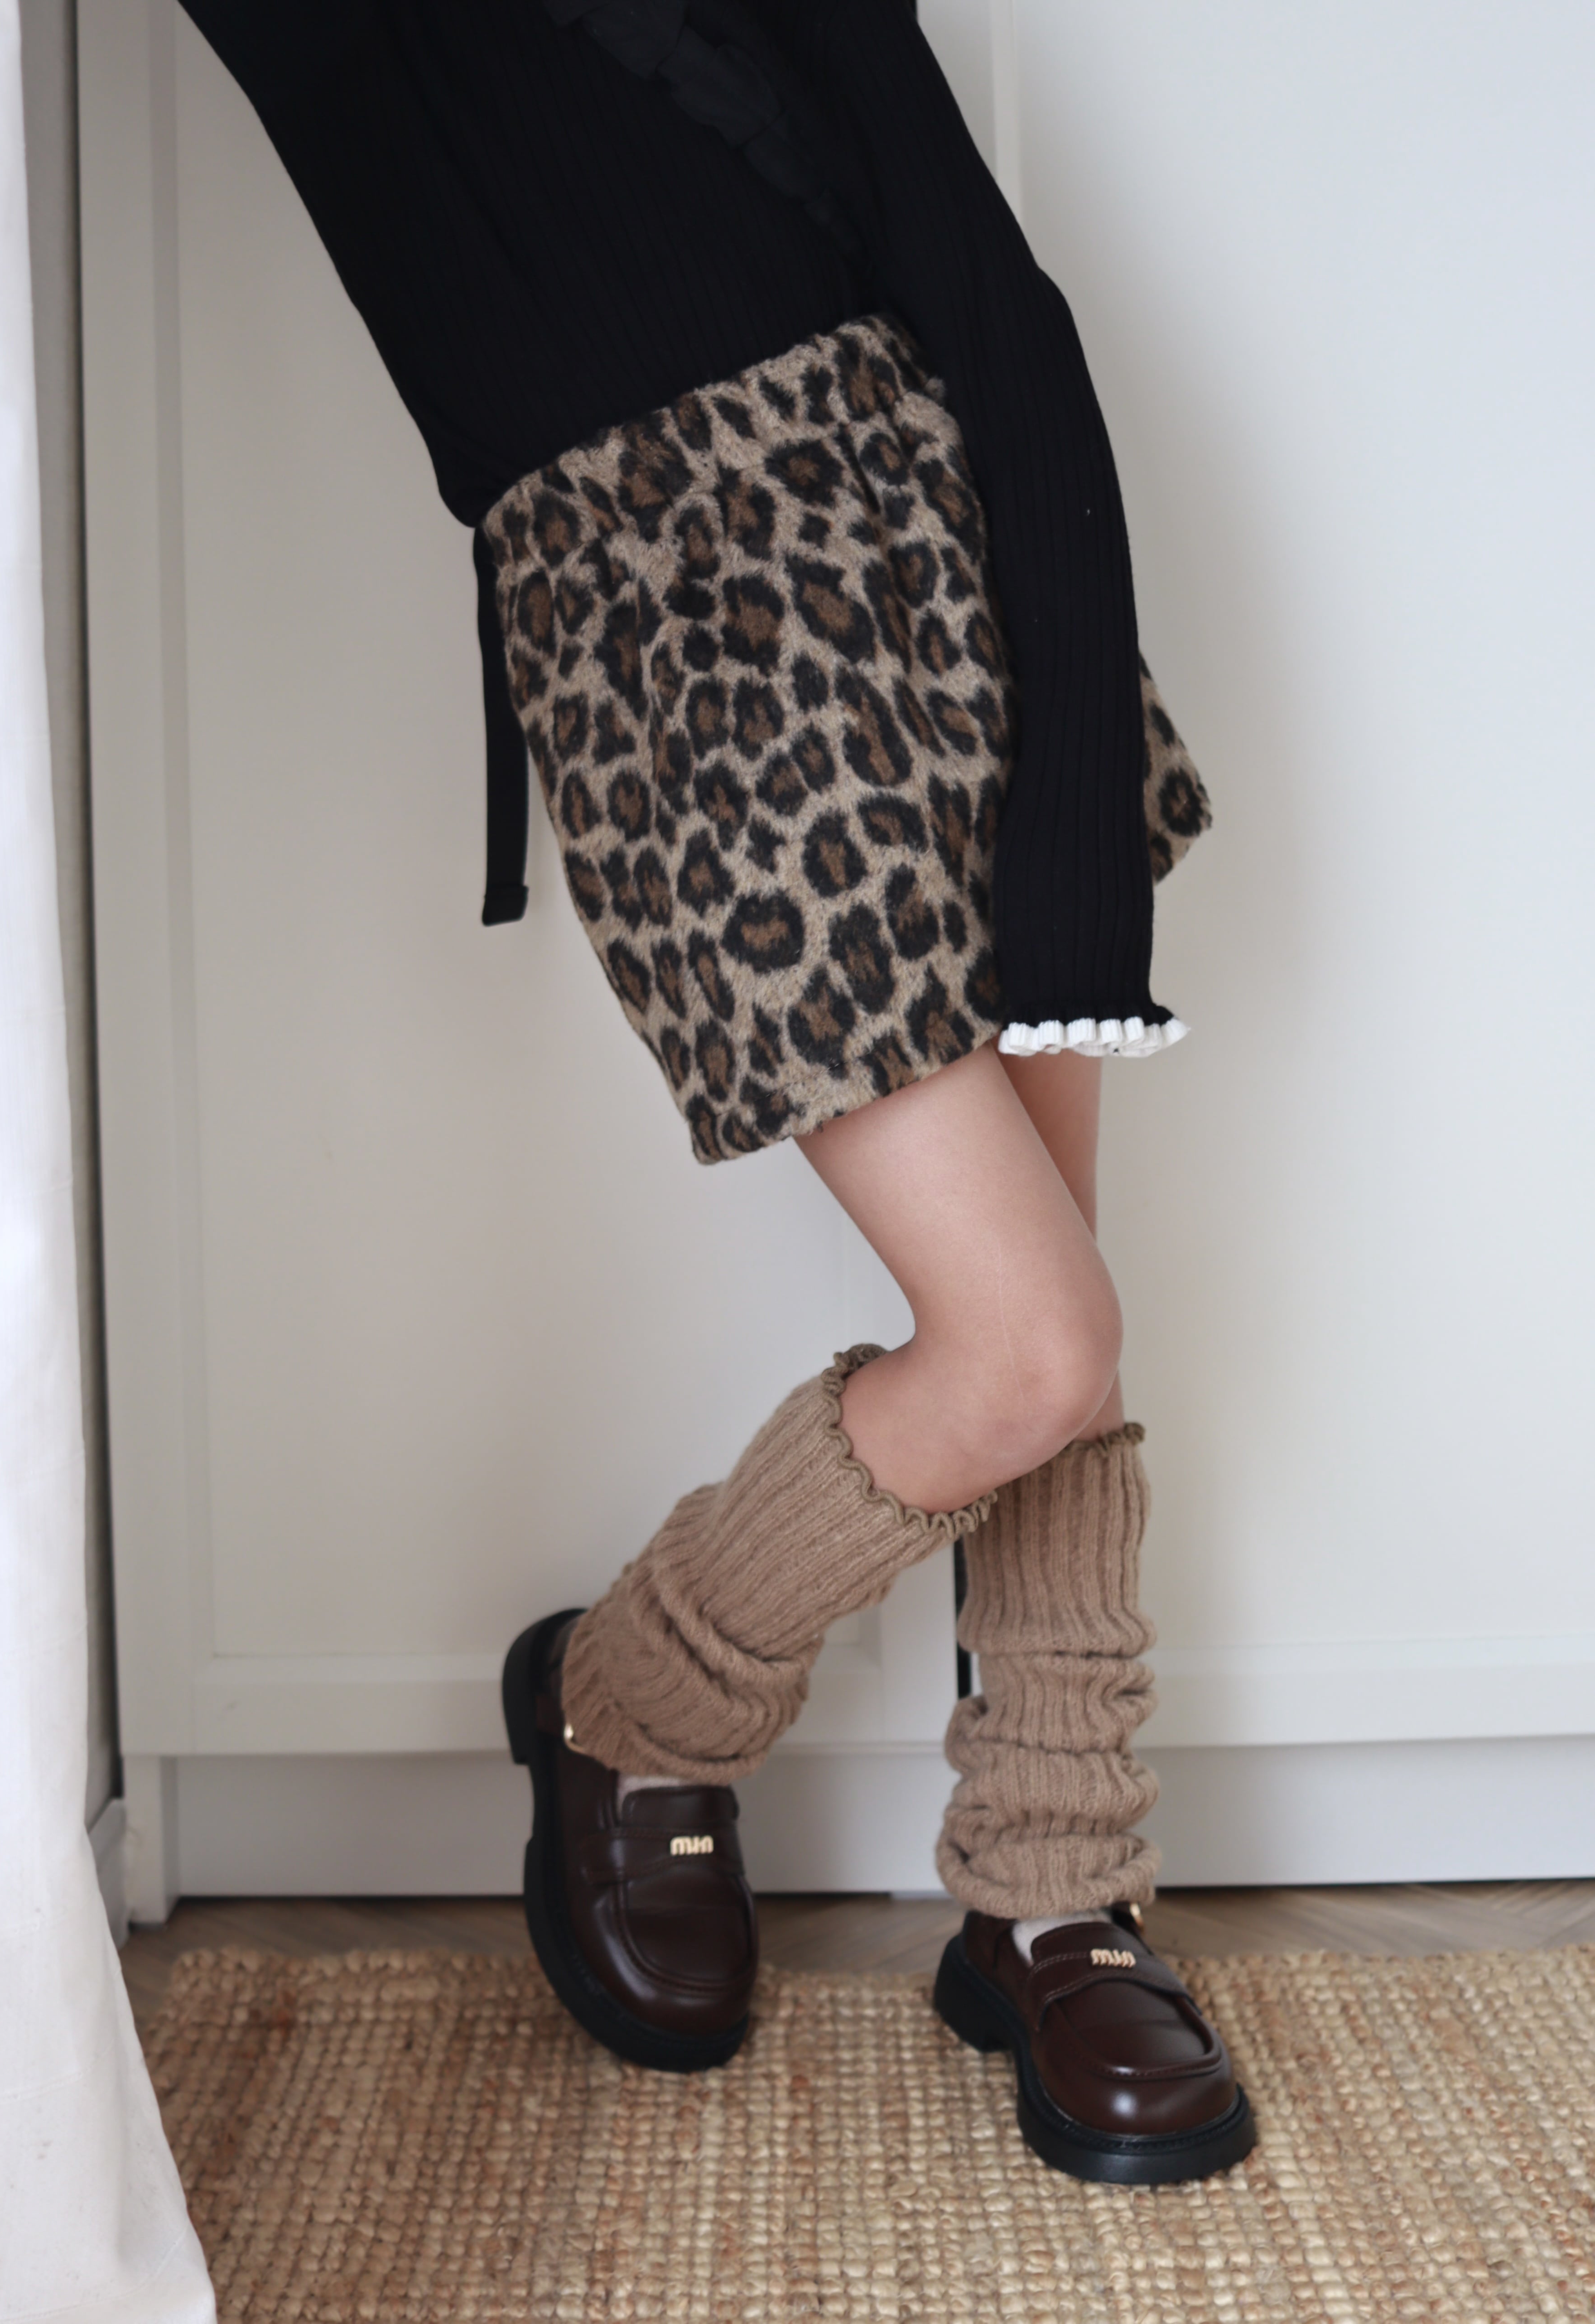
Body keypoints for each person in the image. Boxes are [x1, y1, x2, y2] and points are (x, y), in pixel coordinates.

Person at [181, 0, 1247, 2185]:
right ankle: (635, 1699)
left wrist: (1074, 826)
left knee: (1061, 1326)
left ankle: (1057, 1890)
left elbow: (992, 298)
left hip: (961, 551)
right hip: (677, 621)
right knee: (1030, 1343)